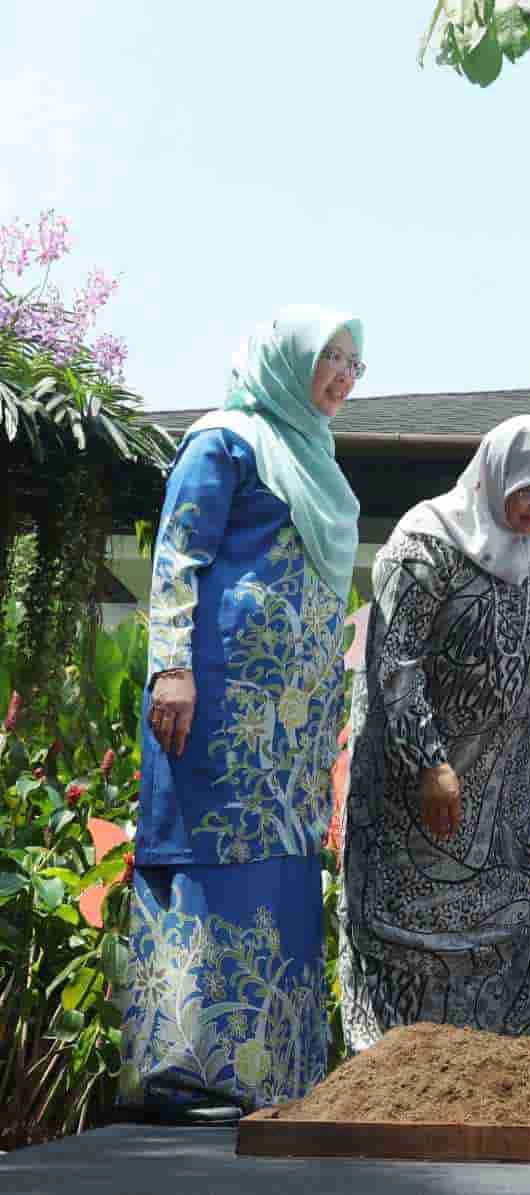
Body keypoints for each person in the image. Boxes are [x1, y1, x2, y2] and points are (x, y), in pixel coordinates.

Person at [122, 306, 365, 1119]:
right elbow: (177, 553)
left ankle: (274, 1077)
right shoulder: (223, 439)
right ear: (287, 360)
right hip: (219, 707)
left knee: (279, 869)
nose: (341, 376)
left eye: (353, 365)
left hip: (289, 728)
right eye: (329, 357)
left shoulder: (315, 459)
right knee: (210, 857)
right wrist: (172, 668)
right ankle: (186, 1073)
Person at [339, 415, 530, 1050]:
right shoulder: (425, 544)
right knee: (403, 938)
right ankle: (389, 1079)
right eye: (529, 491)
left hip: (503, 783)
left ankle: (501, 1084)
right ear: (495, 478)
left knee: (501, 935)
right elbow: (394, 662)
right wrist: (429, 764)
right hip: (412, 791)